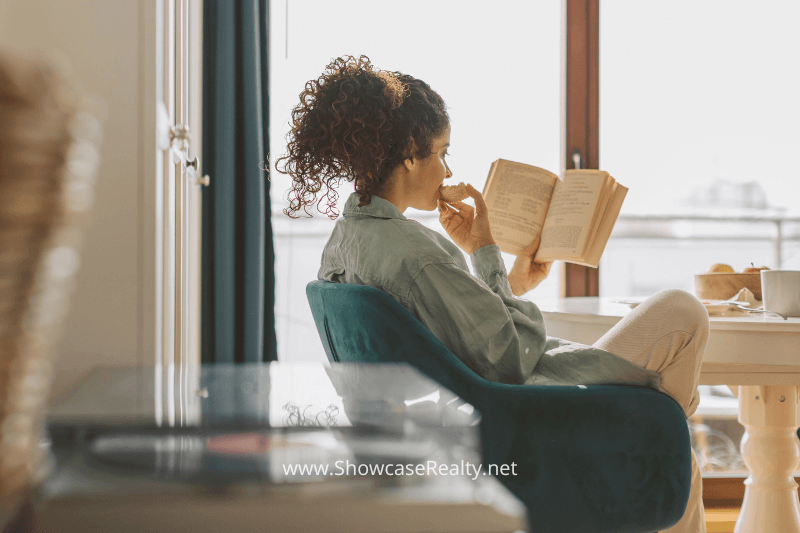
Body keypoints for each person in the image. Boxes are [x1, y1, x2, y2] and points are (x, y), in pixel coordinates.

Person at [277, 55, 709, 533]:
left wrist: (511, 279)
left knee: (679, 449)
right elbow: (509, 355)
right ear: (409, 153)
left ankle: (661, 432)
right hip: (523, 412)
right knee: (682, 313)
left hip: (462, 412)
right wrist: (483, 248)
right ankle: (658, 430)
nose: (446, 169)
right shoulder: (416, 255)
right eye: (442, 151)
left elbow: (453, 330)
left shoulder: (346, 240)